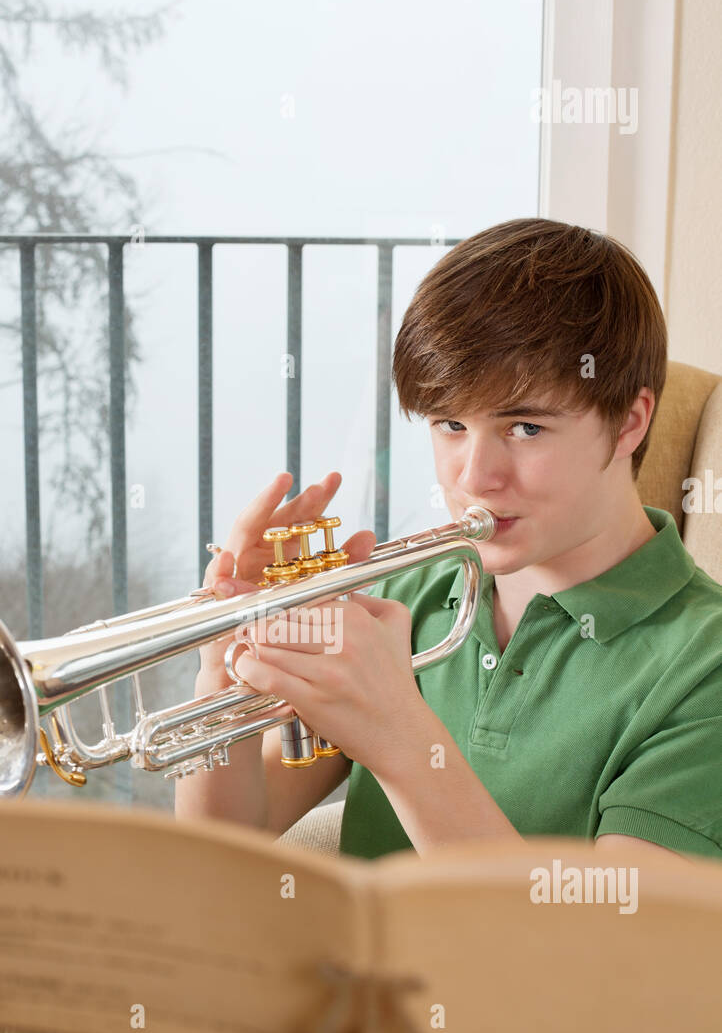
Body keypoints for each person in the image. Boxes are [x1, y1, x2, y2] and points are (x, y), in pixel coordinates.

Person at [175, 218, 722, 862]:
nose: (473, 477)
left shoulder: (703, 666)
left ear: (630, 421)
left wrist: (400, 735)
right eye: (451, 425)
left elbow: (599, 953)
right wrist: (224, 671)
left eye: (524, 428)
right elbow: (221, 852)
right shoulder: (411, 597)